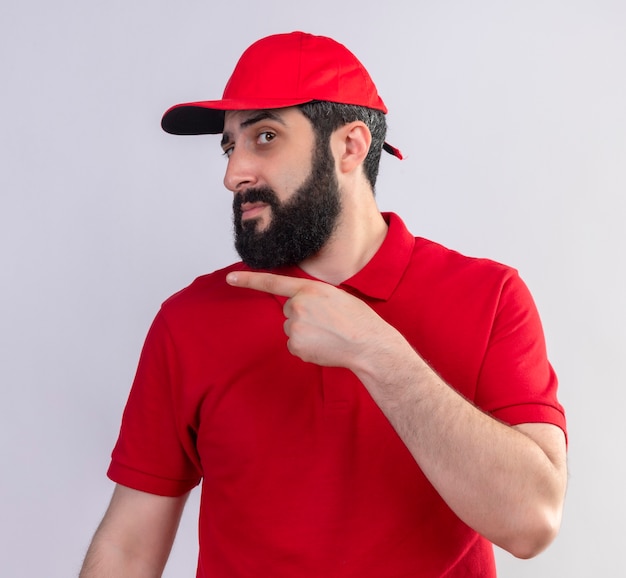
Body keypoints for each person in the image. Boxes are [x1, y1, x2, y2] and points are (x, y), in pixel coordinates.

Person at [79, 31, 567, 577]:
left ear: (350, 146)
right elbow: (127, 548)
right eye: (229, 145)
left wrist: (378, 353)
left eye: (264, 136)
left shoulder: (489, 297)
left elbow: (532, 523)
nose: (233, 173)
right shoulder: (189, 320)